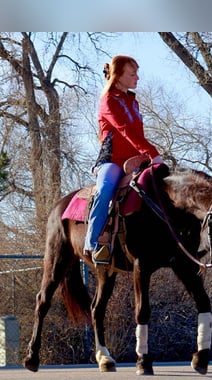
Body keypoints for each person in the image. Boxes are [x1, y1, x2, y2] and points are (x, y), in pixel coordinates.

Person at [85, 55, 164, 263]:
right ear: (118, 76)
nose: (137, 77)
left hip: (135, 161)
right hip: (112, 161)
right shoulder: (108, 101)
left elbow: (138, 135)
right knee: (104, 190)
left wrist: (145, 157)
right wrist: (153, 153)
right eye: (132, 73)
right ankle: (93, 244)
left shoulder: (133, 101)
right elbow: (125, 130)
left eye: (137, 73)